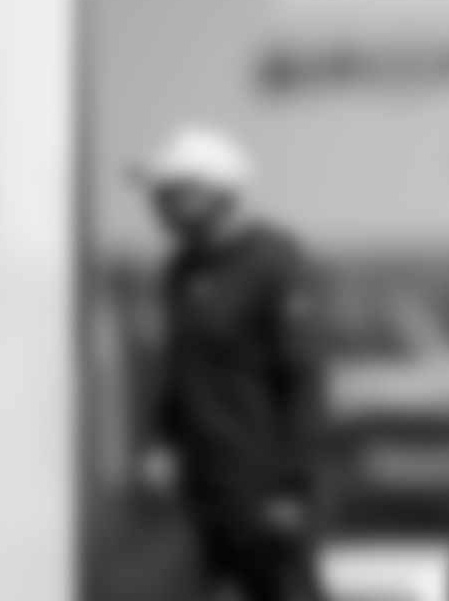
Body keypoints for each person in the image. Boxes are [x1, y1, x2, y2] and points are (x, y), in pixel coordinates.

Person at [135, 125, 327, 601]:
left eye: (174, 195)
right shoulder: (182, 269)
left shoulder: (275, 261)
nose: (160, 208)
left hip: (260, 483)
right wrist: (164, 441)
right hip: (204, 485)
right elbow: (180, 368)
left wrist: (290, 487)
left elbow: (303, 380)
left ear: (218, 194)